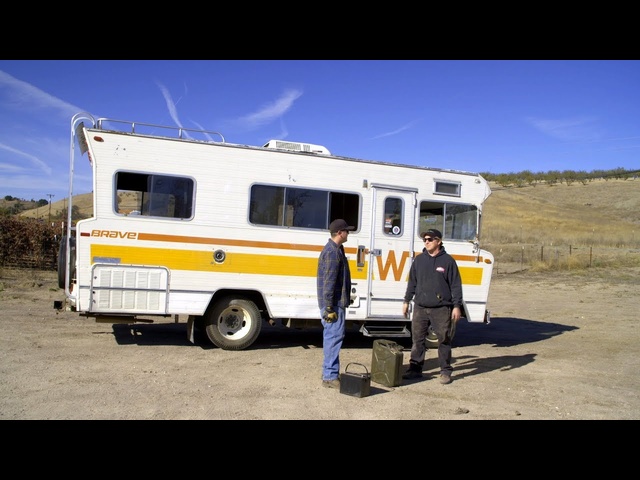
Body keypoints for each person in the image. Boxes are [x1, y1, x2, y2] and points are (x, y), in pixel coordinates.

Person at [402, 228, 463, 385]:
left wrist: (457, 306)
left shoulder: (448, 261)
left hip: (442, 308)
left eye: (430, 239)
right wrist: (406, 301)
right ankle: (415, 370)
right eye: (425, 240)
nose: (426, 242)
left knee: (443, 340)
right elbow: (412, 283)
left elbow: (456, 285)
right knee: (417, 340)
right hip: (420, 307)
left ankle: (445, 371)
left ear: (439, 241)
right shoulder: (419, 260)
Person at [316, 218, 355, 389]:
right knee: (333, 337)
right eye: (347, 231)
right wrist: (329, 307)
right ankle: (330, 376)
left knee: (332, 337)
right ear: (340, 233)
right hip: (333, 304)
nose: (349, 233)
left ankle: (329, 372)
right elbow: (329, 282)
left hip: (336, 302)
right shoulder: (332, 252)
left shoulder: (337, 250)